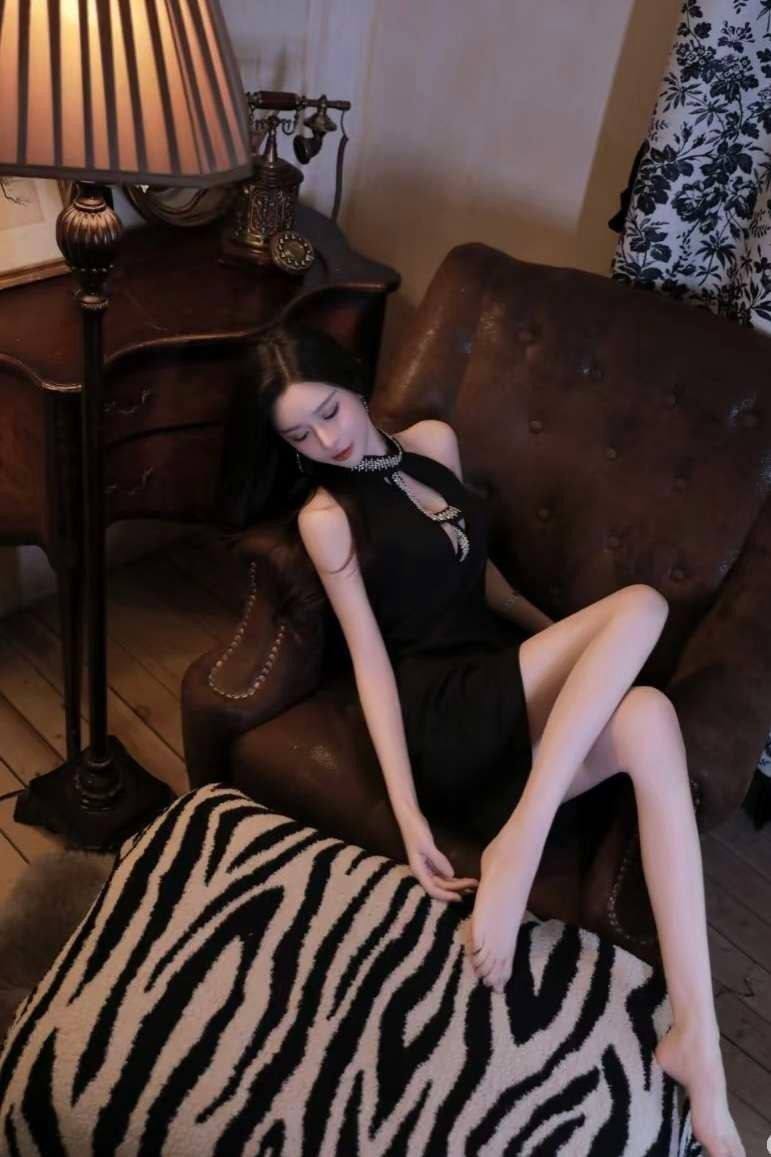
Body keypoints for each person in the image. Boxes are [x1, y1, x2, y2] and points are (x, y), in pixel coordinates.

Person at [217, 322, 744, 1157]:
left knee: (647, 713)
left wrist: (572, 643)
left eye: (328, 411)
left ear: (351, 382)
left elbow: (476, 570)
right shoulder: (326, 517)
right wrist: (407, 816)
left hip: (495, 677)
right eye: (300, 435)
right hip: (443, 719)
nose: (327, 440)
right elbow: (371, 666)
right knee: (642, 605)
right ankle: (518, 843)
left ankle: (698, 1042)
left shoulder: (433, 443)